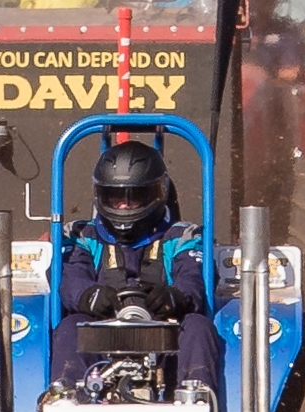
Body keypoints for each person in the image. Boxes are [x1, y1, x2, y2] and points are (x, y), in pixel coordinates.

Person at [49, 140, 221, 398]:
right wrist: (89, 296)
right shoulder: (82, 235)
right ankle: (67, 399)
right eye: (116, 197)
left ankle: (196, 400)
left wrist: (173, 296)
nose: (124, 206)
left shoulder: (182, 236)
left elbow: (193, 279)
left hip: (165, 336)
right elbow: (70, 278)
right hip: (100, 335)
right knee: (71, 325)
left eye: (135, 197)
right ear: (100, 195)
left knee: (198, 325)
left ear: (158, 194)